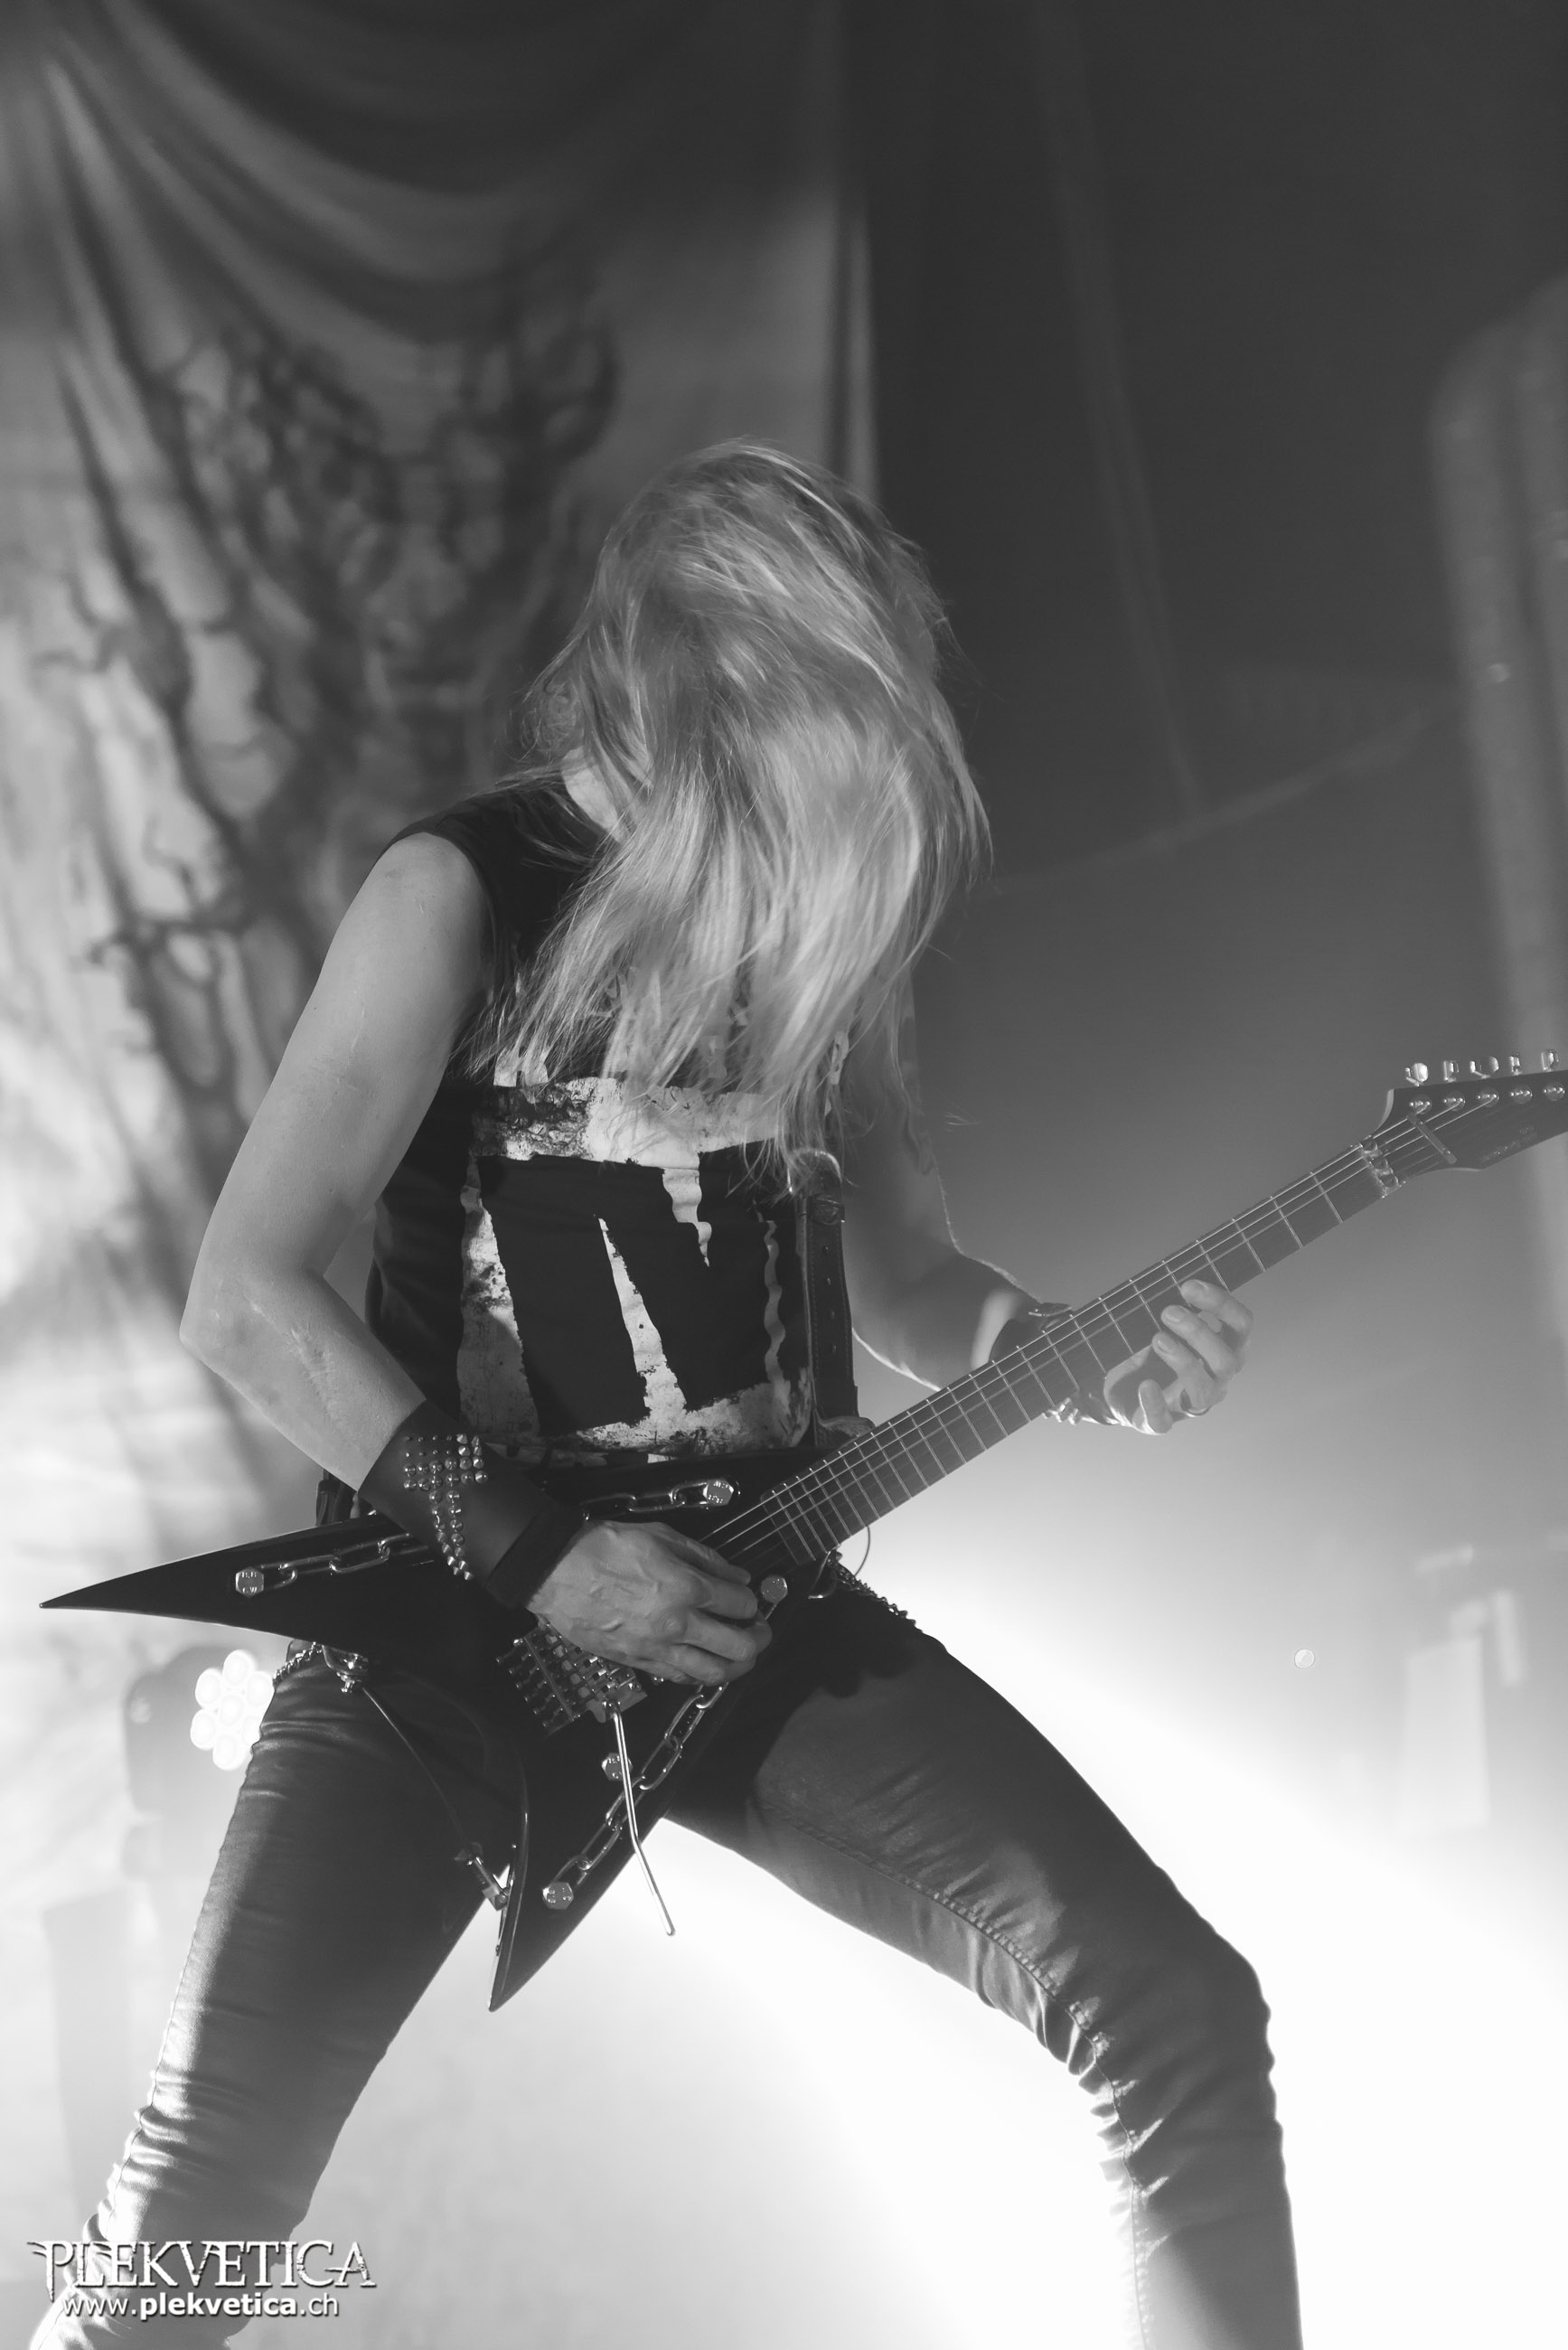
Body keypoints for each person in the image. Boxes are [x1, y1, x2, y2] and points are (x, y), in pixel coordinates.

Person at [35, 444, 1299, 2350]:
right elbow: (248, 1300)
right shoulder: (456, 893)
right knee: (196, 2211)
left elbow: (908, 1280)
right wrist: (552, 1562)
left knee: (1174, 2003)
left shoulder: (805, 933)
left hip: (747, 1610)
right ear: (694, 686)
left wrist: (1074, 1351)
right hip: (449, 1631)